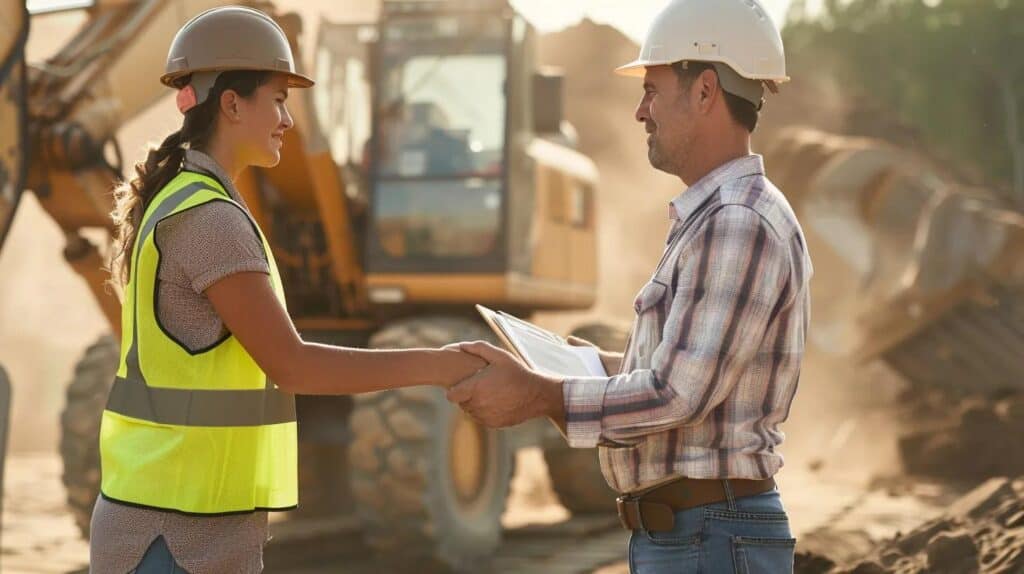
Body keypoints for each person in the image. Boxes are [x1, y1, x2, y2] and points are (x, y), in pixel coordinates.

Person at [90, 7, 483, 573]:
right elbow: (294, 366)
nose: (287, 120)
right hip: (176, 533)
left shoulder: (183, 199)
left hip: (167, 520)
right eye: (277, 99)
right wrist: (441, 365)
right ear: (231, 104)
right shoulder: (209, 219)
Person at [445, 0, 811, 572]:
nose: (641, 111)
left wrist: (542, 395)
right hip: (695, 535)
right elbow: (686, 372)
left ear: (706, 91)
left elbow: (677, 394)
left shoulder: (737, 221)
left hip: (708, 537)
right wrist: (580, 364)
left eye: (652, 89)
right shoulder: (712, 216)